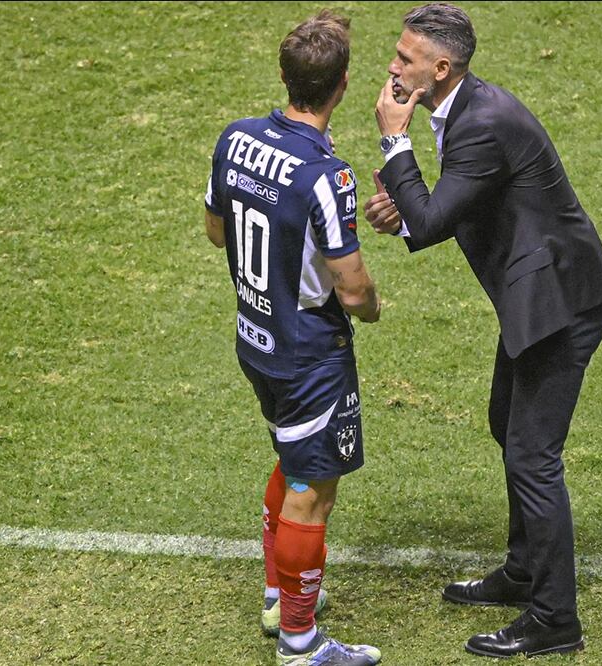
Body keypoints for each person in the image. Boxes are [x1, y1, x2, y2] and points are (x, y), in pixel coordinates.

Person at [365, 3, 602, 659]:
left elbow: (430, 223)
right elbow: (447, 206)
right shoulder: (467, 109)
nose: (392, 68)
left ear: (440, 69)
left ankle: (554, 619)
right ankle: (522, 569)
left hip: (558, 304)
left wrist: (396, 145)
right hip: (540, 293)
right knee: (507, 424)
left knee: (532, 455)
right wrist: (407, 201)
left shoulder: (479, 122)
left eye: (404, 59)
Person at [204, 10, 383, 666]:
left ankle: (281, 595)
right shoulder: (325, 174)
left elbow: (217, 230)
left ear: (285, 78)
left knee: (291, 459)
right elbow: (354, 289)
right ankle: (302, 646)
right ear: (341, 87)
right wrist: (371, 309)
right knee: (313, 489)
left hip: (256, 339)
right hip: (310, 353)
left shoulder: (234, 140)